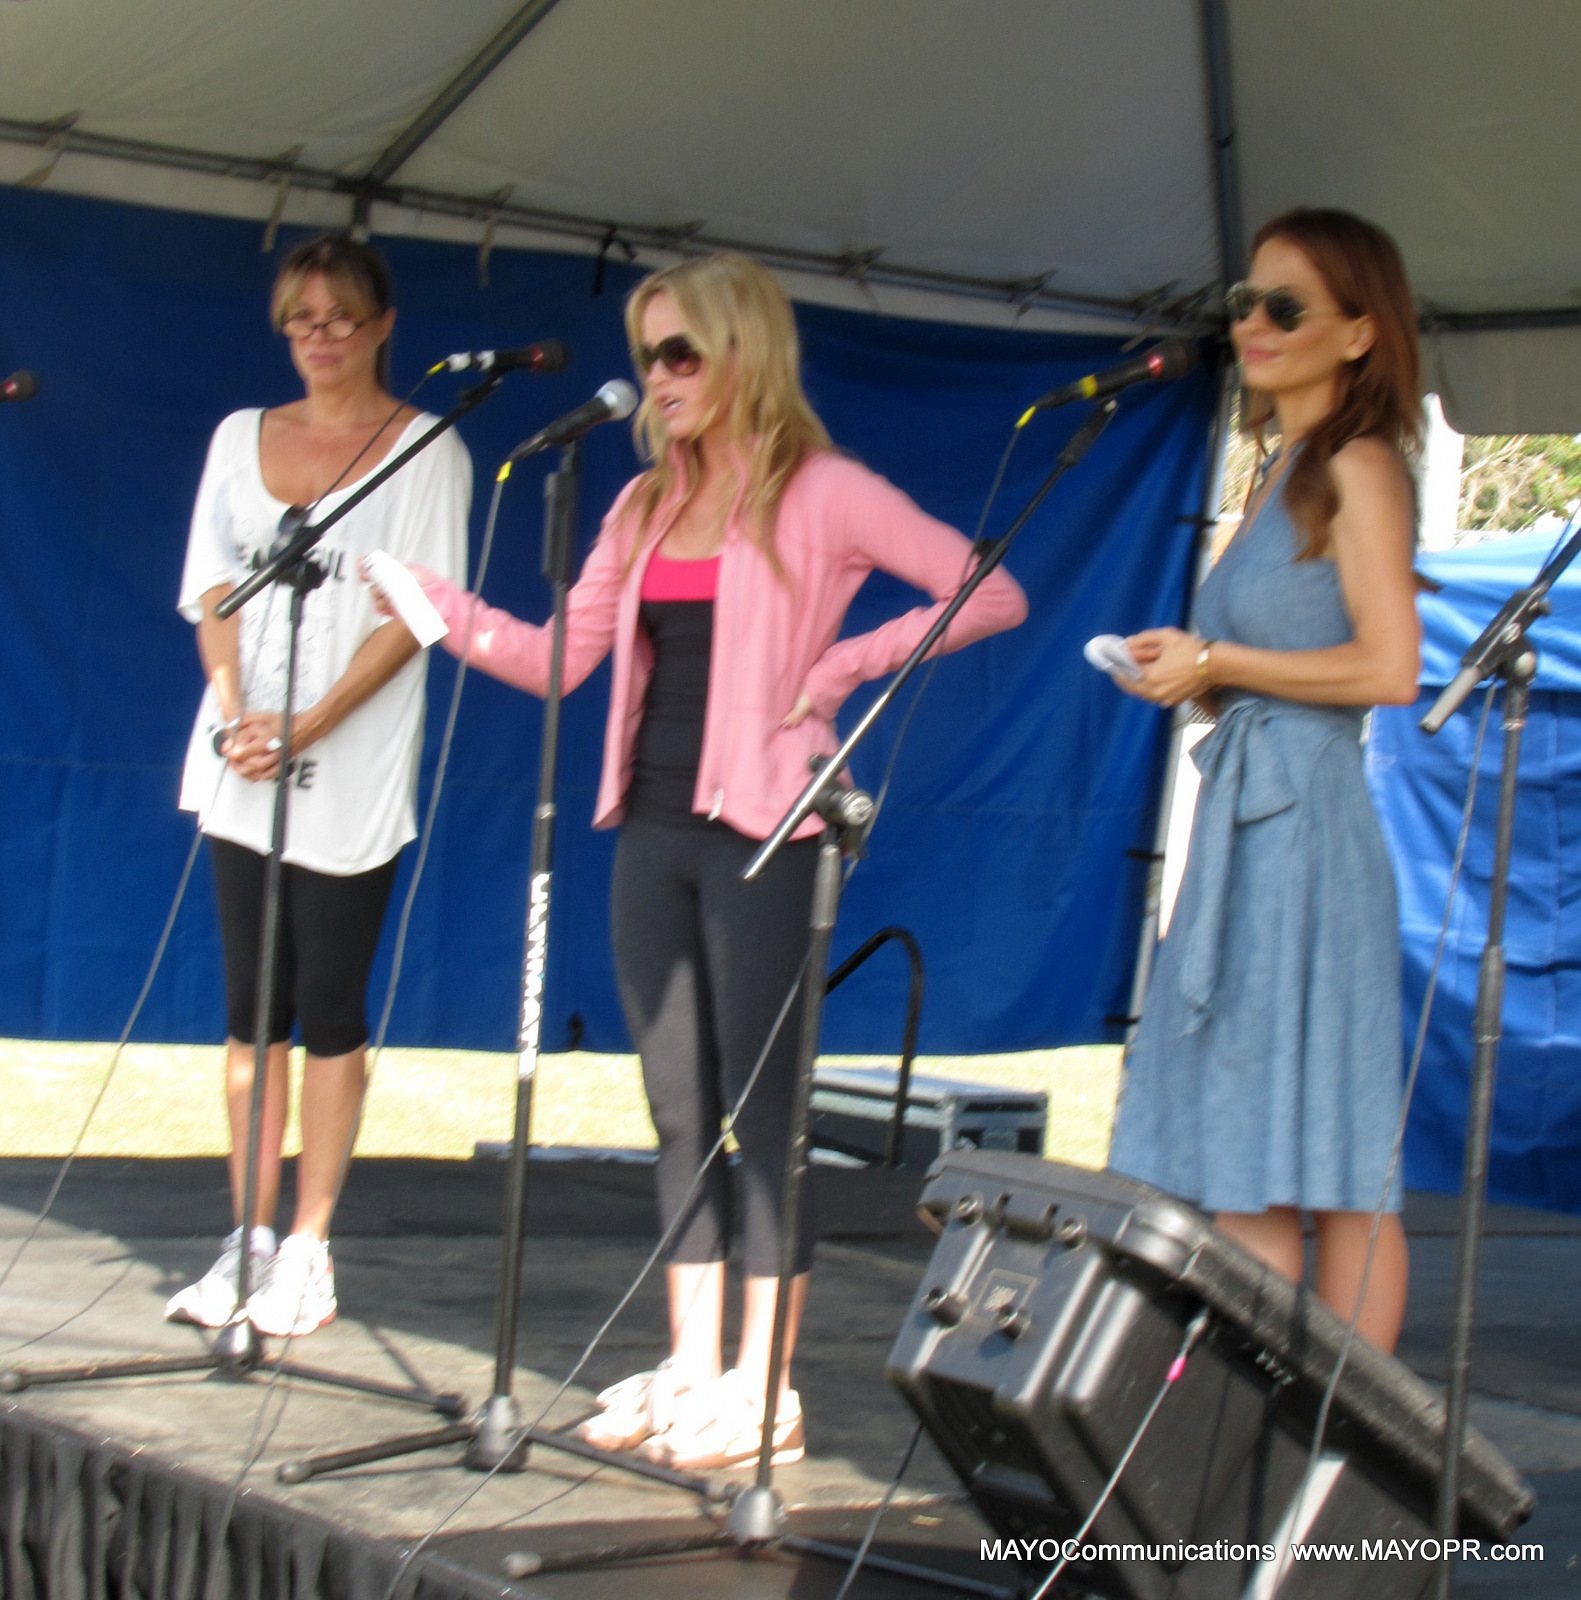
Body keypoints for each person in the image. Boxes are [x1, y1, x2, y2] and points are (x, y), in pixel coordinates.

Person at [388, 251, 1026, 1469]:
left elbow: (986, 592)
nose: (659, 376)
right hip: (650, 830)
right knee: (676, 1110)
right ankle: (692, 1363)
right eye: (647, 355)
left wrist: (842, 667)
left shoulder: (826, 491)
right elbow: (555, 660)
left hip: (766, 835)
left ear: (744, 352)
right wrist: (434, 607)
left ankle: (764, 1385)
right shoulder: (636, 508)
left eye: (680, 352)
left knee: (764, 1112)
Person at [1106, 208, 1422, 1352]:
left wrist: (1222, 662)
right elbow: (1271, 665)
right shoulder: (1278, 468)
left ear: (1356, 333)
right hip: (1252, 819)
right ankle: (1269, 1453)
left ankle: (1333, 1456)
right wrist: (1187, 678)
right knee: (1257, 1147)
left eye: (1285, 306)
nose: (1252, 323)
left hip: (1304, 834)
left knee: (1321, 1159)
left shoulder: (1358, 463)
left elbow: (1392, 666)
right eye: (1244, 300)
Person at [167, 234, 470, 1338]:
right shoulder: (239, 439)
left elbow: (418, 614)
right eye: (302, 317)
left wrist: (309, 721)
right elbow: (213, 588)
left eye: (341, 316)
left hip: (350, 770)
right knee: (250, 1012)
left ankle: (309, 1248)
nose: (321, 336)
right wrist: (239, 708)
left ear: (383, 325)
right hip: (240, 757)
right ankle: (245, 1242)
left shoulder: (426, 447)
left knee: (328, 1006)